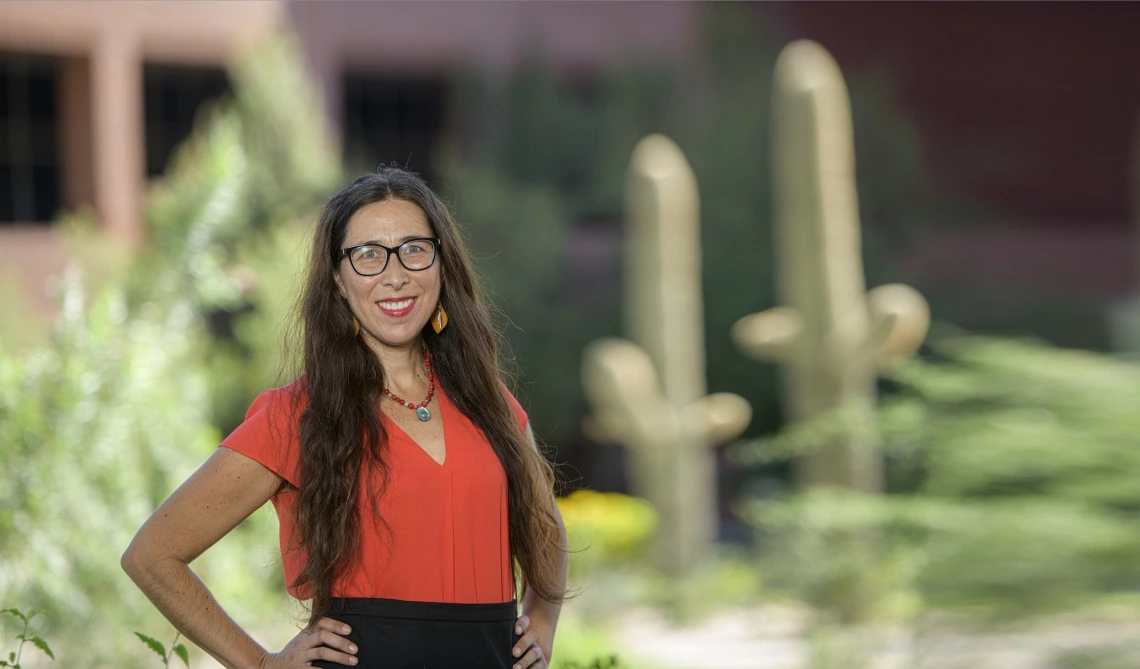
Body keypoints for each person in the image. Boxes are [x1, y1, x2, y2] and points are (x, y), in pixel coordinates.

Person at [122, 168, 568, 669]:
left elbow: (544, 525)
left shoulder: (492, 403)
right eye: (368, 255)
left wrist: (543, 620)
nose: (394, 274)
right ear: (337, 279)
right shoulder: (295, 416)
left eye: (414, 248)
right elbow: (152, 555)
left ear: (441, 264)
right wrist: (263, 664)